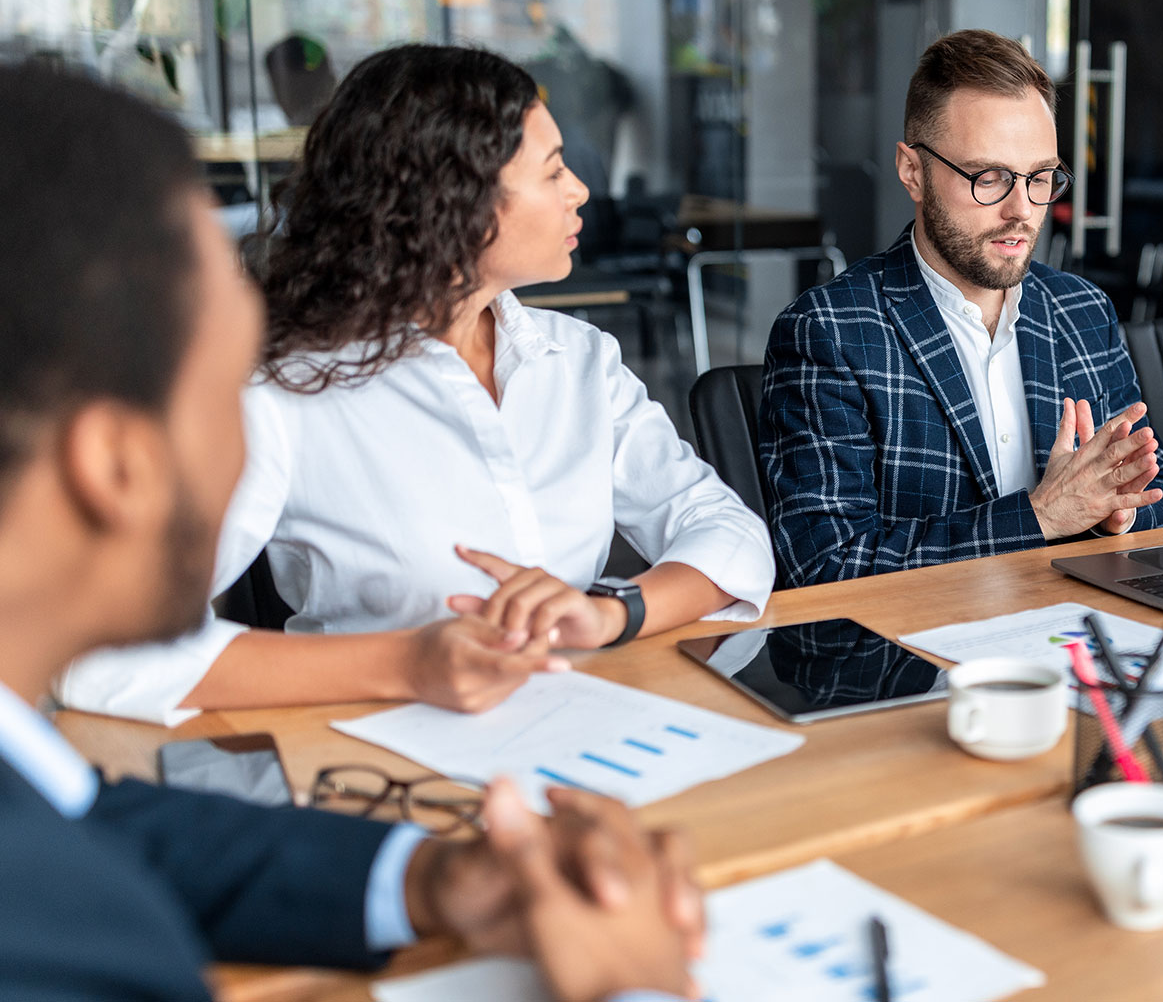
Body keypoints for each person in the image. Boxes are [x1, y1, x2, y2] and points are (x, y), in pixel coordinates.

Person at [0, 64, 699, 1002]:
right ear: (116, 462)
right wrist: (634, 988)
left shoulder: (34, 806)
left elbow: (100, 826)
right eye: (222, 382)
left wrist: (431, 878)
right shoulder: (63, 960)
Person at [58, 44, 773, 726]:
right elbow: (95, 649)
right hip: (377, 770)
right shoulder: (281, 394)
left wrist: (613, 611)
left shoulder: (577, 360)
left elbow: (732, 534)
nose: (580, 190)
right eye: (553, 170)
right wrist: (405, 663)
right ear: (457, 202)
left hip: (578, 730)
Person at [758, 29, 1163, 586]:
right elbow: (822, 565)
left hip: (1070, 644)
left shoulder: (1082, 310)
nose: (1022, 210)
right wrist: (1039, 517)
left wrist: (1114, 515)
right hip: (911, 665)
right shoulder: (828, 333)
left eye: (1039, 178)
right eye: (990, 178)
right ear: (913, 171)